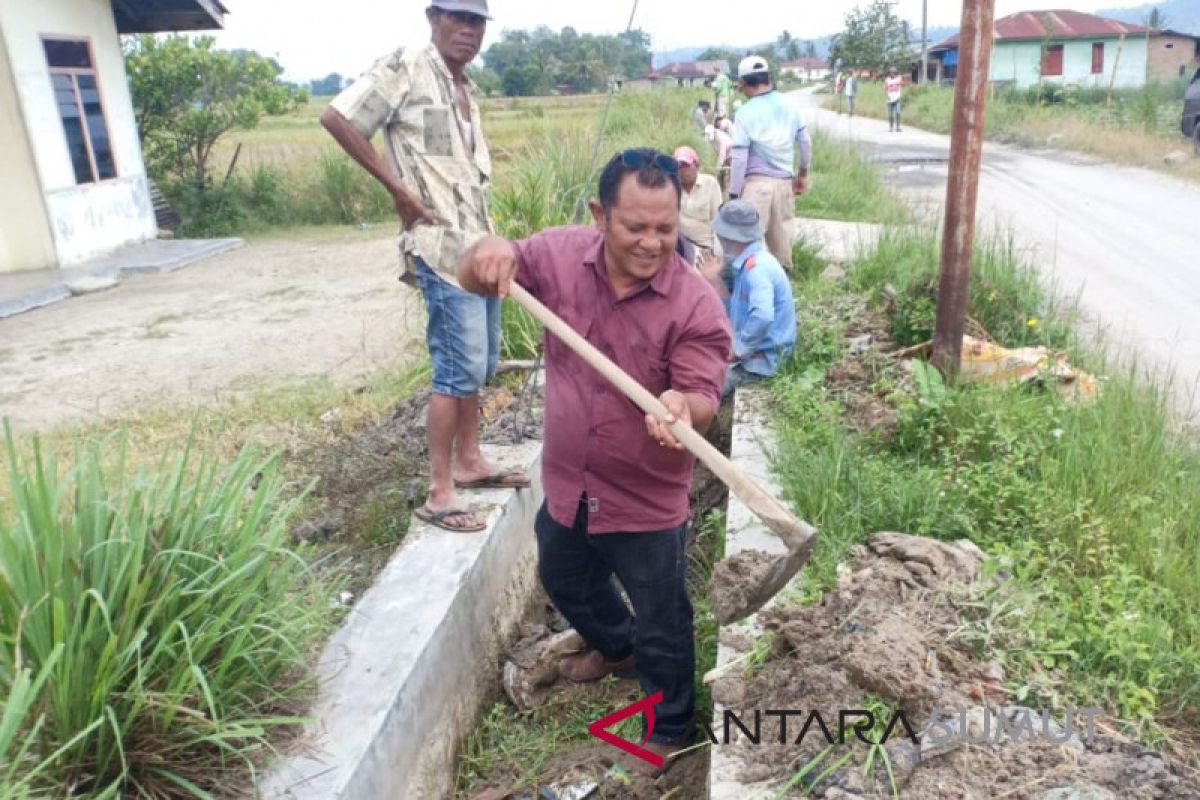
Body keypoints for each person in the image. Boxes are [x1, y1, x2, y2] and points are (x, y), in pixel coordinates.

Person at [456, 148, 731, 776]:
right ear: (600, 215)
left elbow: (702, 397)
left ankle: (668, 726)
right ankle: (615, 646)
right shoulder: (556, 256)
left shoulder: (694, 304)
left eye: (665, 228)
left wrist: (680, 407)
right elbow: (480, 273)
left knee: (664, 617)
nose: (652, 243)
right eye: (635, 227)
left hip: (645, 495)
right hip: (572, 481)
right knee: (564, 575)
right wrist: (486, 252)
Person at [320, 0, 528, 534]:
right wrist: (397, 189)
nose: (467, 30)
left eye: (477, 21)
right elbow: (338, 117)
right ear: (432, 18)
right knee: (455, 368)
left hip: (475, 247)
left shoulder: (466, 91)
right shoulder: (407, 67)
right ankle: (440, 491)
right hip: (439, 249)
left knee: (479, 366)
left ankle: (470, 461)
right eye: (457, 18)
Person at [698, 201, 796, 398]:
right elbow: (734, 313)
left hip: (761, 364)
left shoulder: (757, 269)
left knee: (704, 388)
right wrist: (714, 281)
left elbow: (763, 316)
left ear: (728, 238)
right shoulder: (746, 265)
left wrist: (738, 350)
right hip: (752, 356)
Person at [728, 55, 812, 271]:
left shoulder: (744, 113)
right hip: (784, 185)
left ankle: (750, 297)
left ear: (744, 83)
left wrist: (734, 194)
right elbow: (805, 143)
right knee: (781, 251)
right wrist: (802, 174)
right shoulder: (790, 107)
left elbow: (739, 158)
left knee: (746, 251)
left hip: (756, 186)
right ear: (768, 78)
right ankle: (781, 297)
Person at [674, 145, 722, 256]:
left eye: (686, 165)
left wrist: (717, 252)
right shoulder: (672, 187)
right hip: (680, 246)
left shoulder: (710, 183)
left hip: (706, 246)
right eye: (679, 166)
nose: (682, 170)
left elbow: (718, 219)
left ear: (697, 165)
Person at [706, 119, 734, 196]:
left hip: (731, 155)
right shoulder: (710, 139)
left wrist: (717, 168)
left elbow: (722, 155)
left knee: (730, 174)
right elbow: (711, 151)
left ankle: (730, 193)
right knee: (720, 175)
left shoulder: (721, 138)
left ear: (715, 132)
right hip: (723, 156)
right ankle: (720, 191)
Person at [885, 67, 904, 132]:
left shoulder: (898, 79)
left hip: (897, 99)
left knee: (898, 113)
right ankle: (891, 127)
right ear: (889, 73)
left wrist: (901, 78)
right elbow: (886, 89)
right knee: (891, 115)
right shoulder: (887, 80)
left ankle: (898, 127)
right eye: (891, 72)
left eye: (893, 72)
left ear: (895, 73)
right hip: (890, 100)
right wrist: (887, 96)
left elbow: (903, 84)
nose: (892, 74)